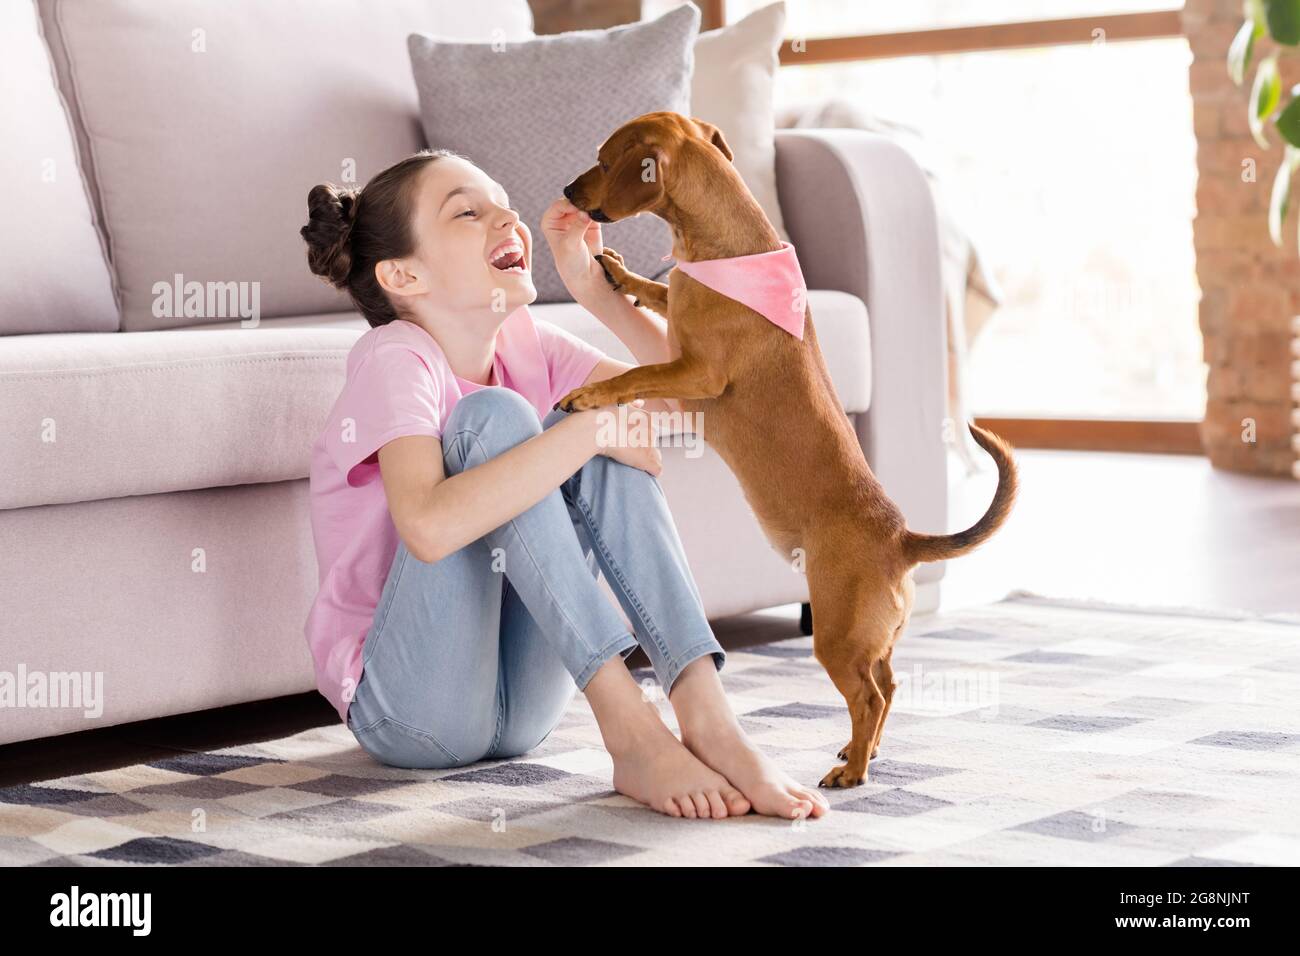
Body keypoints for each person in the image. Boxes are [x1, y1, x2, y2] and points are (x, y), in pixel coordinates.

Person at [299, 148, 829, 821]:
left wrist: (596, 289)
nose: (507, 218)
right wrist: (589, 429)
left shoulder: (528, 343)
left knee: (605, 409)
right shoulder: (396, 357)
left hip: (525, 709)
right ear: (404, 273)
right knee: (502, 418)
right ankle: (629, 727)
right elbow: (427, 528)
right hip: (409, 710)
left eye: (503, 204)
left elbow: (704, 396)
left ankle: (705, 712)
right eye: (468, 211)